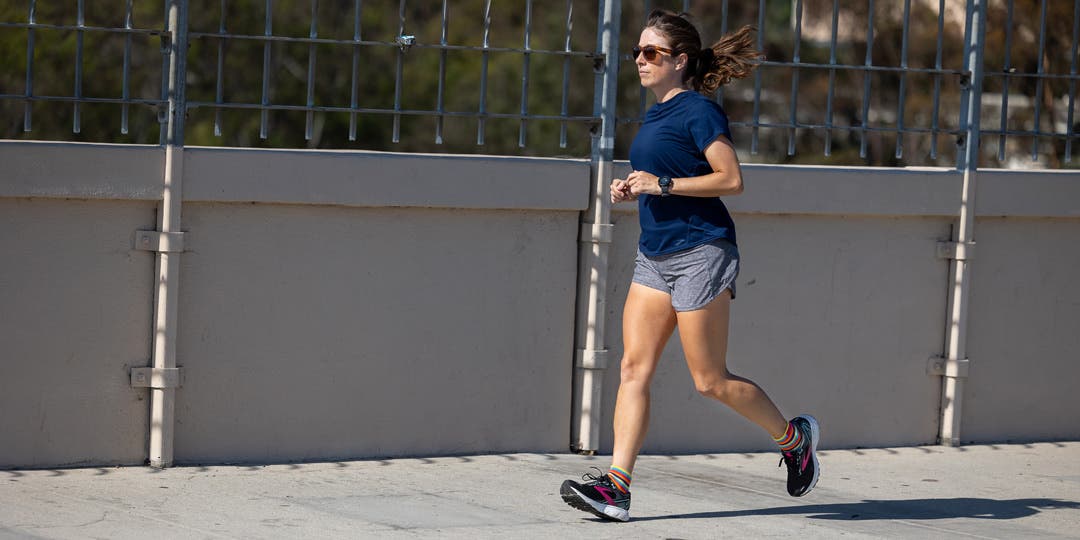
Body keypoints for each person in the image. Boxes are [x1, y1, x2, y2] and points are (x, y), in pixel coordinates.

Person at [560, 10, 819, 523]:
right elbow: (664, 174)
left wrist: (662, 185)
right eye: (636, 51)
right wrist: (634, 185)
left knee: (710, 381)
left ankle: (795, 440)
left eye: (650, 52)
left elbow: (731, 179)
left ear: (679, 61)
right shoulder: (655, 115)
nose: (638, 59)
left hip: (702, 251)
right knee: (634, 368)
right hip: (655, 255)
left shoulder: (699, 112)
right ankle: (617, 487)